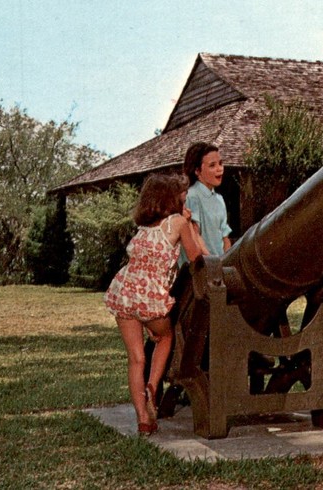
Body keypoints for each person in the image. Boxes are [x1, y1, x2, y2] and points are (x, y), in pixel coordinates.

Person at [103, 174, 204, 436]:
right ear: (172, 198)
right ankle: (152, 386)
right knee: (165, 336)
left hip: (125, 292)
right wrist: (192, 226)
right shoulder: (178, 223)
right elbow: (197, 259)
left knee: (136, 358)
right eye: (182, 194)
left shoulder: (143, 229)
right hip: (150, 297)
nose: (185, 197)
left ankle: (143, 420)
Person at [181, 142, 232, 260]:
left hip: (219, 265)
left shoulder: (219, 199)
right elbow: (194, 235)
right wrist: (212, 263)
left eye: (220, 163)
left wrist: (227, 260)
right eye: (212, 165)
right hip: (202, 266)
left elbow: (225, 238)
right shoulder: (192, 195)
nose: (220, 169)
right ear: (197, 171)